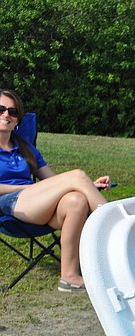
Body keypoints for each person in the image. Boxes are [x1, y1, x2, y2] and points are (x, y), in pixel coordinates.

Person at [0, 89, 111, 292]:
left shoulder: (25, 147)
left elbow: (53, 180)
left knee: (76, 199)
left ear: (17, 120)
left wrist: (89, 186)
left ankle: (69, 276)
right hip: (10, 204)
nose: (6, 115)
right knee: (77, 175)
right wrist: (26, 187)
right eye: (1, 110)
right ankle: (115, 229)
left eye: (13, 112)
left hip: (38, 204)